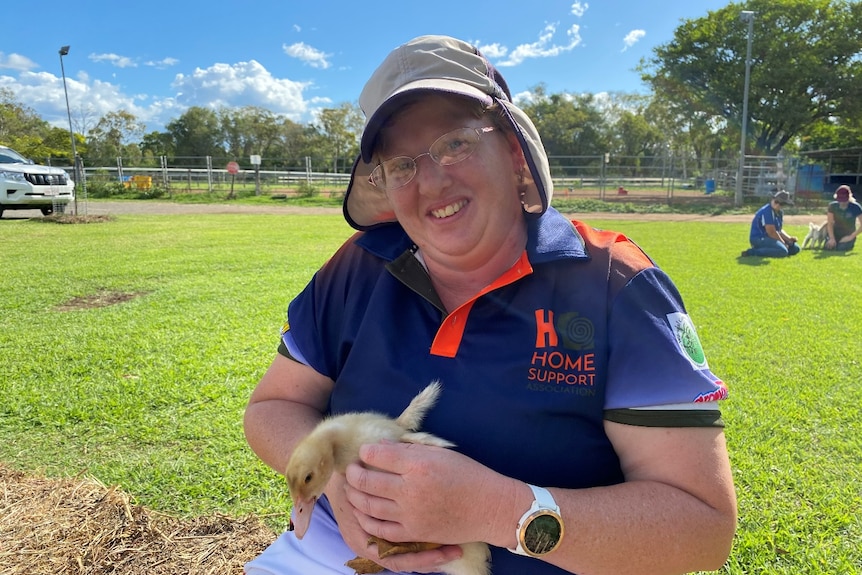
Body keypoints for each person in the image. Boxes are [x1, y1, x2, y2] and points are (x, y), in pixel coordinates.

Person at [243, 35, 737, 575]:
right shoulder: (358, 266)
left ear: (512, 148)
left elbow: (702, 528)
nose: (431, 181)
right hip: (338, 555)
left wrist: (502, 512)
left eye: (455, 142)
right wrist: (338, 483)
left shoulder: (615, 283)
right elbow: (272, 408)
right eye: (402, 164)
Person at [741, 190, 800, 258]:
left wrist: (789, 239)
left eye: (781, 204)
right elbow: (771, 232)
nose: (778, 205)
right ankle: (752, 252)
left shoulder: (779, 213)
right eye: (776, 202)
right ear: (772, 200)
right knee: (783, 251)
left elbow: (779, 231)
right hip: (759, 238)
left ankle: (774, 250)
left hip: (770, 238)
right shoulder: (767, 211)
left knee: (795, 248)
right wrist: (783, 243)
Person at [825, 185, 862, 251]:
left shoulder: (856, 207)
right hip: (835, 233)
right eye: (840, 200)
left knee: (841, 248)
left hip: (848, 234)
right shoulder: (832, 206)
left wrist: (851, 237)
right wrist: (832, 238)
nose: (842, 202)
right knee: (829, 247)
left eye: (844, 200)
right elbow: (830, 223)